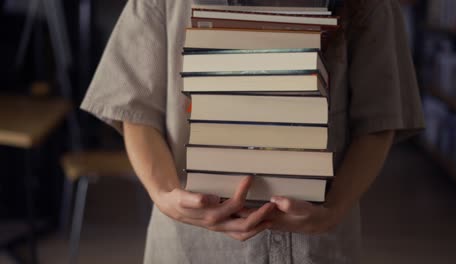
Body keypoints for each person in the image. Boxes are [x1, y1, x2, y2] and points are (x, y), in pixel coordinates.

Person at [81, 0, 425, 263]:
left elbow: (380, 118)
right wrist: (164, 195)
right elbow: (135, 110)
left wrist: (335, 209)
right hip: (191, 245)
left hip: (315, 245)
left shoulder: (369, 5)